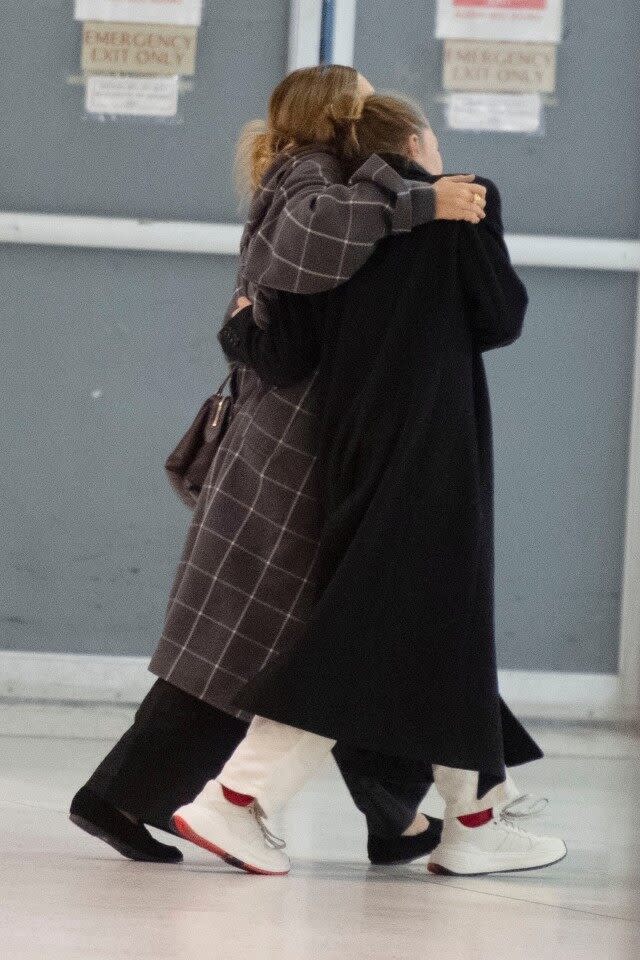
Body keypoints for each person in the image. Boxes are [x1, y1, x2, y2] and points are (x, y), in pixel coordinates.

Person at [70, 66, 489, 866]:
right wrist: (421, 200)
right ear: (336, 114)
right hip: (285, 456)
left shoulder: (313, 179)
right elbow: (308, 249)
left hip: (295, 447)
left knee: (328, 639)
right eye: (364, 100)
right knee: (266, 642)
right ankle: (120, 796)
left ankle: (393, 816)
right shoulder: (311, 179)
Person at [172, 93, 567, 877]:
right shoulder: (461, 200)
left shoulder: (334, 221)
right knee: (360, 637)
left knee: (430, 627)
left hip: (347, 445)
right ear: (415, 139)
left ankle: (478, 815)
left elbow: (285, 350)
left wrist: (243, 320)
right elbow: (500, 316)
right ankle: (237, 800)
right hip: (432, 447)